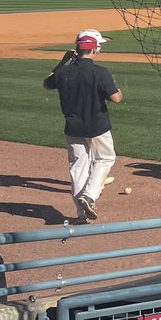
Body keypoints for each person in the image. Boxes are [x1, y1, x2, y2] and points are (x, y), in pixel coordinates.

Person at [42, 29, 123, 223]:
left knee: (78, 168)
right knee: (105, 159)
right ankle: (90, 196)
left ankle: (81, 213)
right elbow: (117, 98)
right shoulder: (100, 72)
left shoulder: (64, 72)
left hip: (73, 128)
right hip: (97, 127)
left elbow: (47, 83)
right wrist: (117, 87)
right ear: (94, 48)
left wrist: (63, 62)